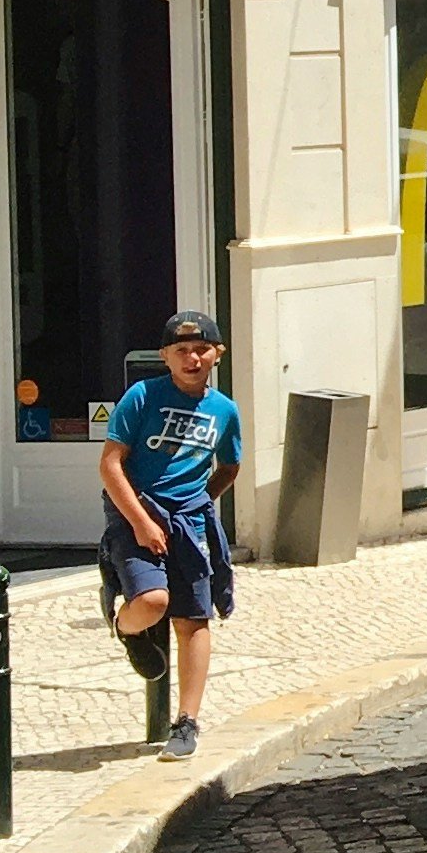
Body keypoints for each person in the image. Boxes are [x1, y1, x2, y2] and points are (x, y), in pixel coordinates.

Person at [97, 309, 241, 761]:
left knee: (193, 618)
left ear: (217, 354)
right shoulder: (141, 396)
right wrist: (140, 521)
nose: (192, 358)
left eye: (201, 349)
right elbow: (109, 464)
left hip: (190, 519)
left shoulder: (224, 410)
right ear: (165, 356)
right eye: (181, 350)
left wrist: (203, 501)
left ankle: (187, 722)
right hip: (136, 509)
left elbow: (230, 465)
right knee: (153, 602)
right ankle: (125, 626)